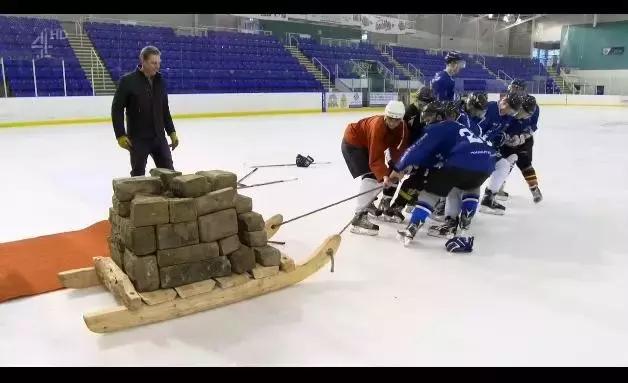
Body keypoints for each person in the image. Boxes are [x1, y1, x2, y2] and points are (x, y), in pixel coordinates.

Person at [391, 115, 497, 252]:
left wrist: (398, 167)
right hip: (487, 162)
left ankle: (413, 225)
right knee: (471, 185)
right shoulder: (461, 127)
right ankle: (465, 223)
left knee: (431, 192)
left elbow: (417, 149)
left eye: (428, 119)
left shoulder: (438, 127)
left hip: (460, 162)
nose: (426, 122)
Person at [341, 100, 409, 235]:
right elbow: (376, 157)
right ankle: (359, 216)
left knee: (383, 173)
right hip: (353, 142)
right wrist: (384, 176)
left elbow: (399, 150)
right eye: (390, 119)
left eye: (397, 120)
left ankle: (368, 202)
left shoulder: (402, 127)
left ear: (401, 119)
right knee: (371, 175)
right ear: (385, 116)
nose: (393, 123)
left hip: (366, 144)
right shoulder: (377, 126)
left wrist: (398, 168)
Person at [428, 92, 489, 238]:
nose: (478, 113)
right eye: (476, 110)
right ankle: (465, 221)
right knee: (472, 185)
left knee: (453, 188)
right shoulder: (470, 123)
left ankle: (450, 221)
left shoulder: (458, 120)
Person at [112, 45, 179, 177]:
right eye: (153, 63)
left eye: (159, 63)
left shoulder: (160, 81)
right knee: (138, 175)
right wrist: (120, 134)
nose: (157, 66)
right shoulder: (128, 81)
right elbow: (117, 109)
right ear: (143, 61)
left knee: (170, 174)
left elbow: (164, 110)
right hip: (138, 140)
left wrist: (171, 131)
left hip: (159, 138)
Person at [378, 101, 446, 223]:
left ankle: (402, 204)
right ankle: (392, 204)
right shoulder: (428, 128)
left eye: (429, 115)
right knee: (410, 179)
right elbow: (416, 147)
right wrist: (405, 164)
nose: (426, 118)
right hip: (418, 159)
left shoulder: (440, 128)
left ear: (439, 116)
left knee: (418, 182)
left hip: (429, 162)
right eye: (425, 115)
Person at [478, 92, 524, 215]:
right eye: (511, 110)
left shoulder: (508, 117)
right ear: (504, 102)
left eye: (513, 112)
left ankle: (488, 199)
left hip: (487, 148)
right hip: (472, 146)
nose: (511, 114)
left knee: (503, 165)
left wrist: (509, 138)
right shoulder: (487, 108)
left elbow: (500, 132)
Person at [500, 94, 543, 203]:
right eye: (525, 112)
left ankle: (534, 189)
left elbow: (533, 126)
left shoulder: (534, 108)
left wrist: (524, 136)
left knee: (526, 163)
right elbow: (500, 127)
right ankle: (499, 186)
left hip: (525, 140)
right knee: (505, 164)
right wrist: (506, 138)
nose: (527, 116)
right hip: (508, 141)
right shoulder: (510, 109)